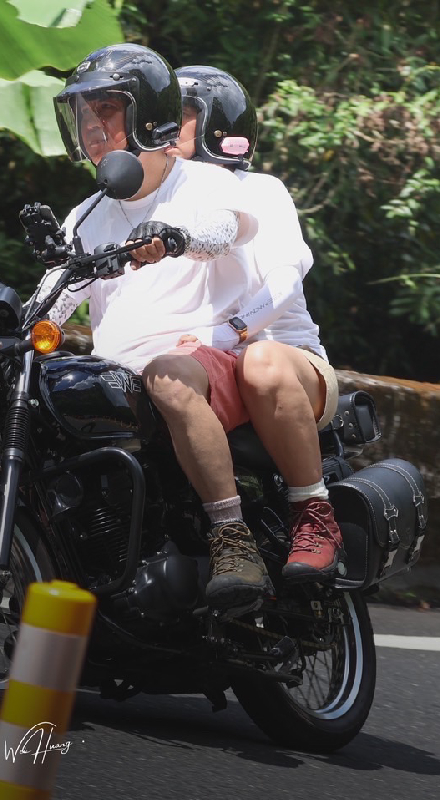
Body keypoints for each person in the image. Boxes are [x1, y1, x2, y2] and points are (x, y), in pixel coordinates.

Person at [34, 43, 273, 612]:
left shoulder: (204, 184)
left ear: (148, 117)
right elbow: (53, 298)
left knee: (166, 377)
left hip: (199, 361)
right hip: (119, 377)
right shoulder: (87, 214)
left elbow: (221, 232)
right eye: (83, 114)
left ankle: (231, 536)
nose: (92, 128)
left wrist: (175, 238)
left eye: (107, 111)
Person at [169, 65, 342, 583]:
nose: (159, 130)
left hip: (286, 367)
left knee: (259, 361)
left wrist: (229, 334)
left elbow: (285, 284)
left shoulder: (260, 190)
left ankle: (313, 513)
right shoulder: (158, 201)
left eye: (178, 118)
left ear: (216, 127)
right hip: (209, 365)